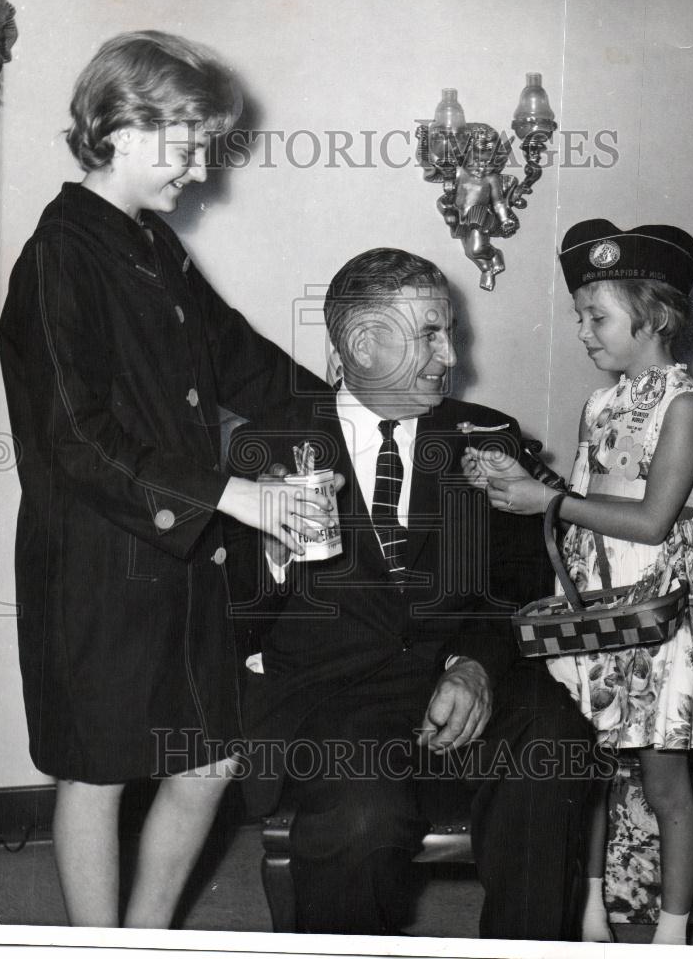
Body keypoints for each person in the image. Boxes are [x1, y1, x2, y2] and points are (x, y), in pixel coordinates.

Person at [0, 30, 337, 929]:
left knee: (207, 760)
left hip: (184, 563)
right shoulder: (59, 256)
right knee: (98, 769)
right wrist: (232, 495)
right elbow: (76, 438)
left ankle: (144, 940)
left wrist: (347, 415)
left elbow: (244, 362)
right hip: (100, 567)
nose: (201, 170)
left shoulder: (154, 247)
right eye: (189, 147)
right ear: (122, 127)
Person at [233, 247, 599, 941]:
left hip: (459, 675)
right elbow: (228, 607)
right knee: (361, 820)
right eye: (431, 333)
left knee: (556, 738)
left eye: (450, 331)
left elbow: (519, 589)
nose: (451, 354)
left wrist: (476, 663)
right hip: (334, 700)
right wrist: (273, 557)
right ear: (363, 342)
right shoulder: (268, 446)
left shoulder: (488, 437)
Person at [464, 219, 693, 945]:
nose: (584, 332)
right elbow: (586, 511)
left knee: (662, 781)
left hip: (660, 613)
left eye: (598, 317)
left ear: (654, 316)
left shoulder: (683, 409)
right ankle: (591, 911)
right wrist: (519, 484)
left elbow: (651, 521)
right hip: (593, 606)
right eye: (581, 317)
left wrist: (546, 499)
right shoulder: (599, 404)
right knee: (581, 765)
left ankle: (672, 931)